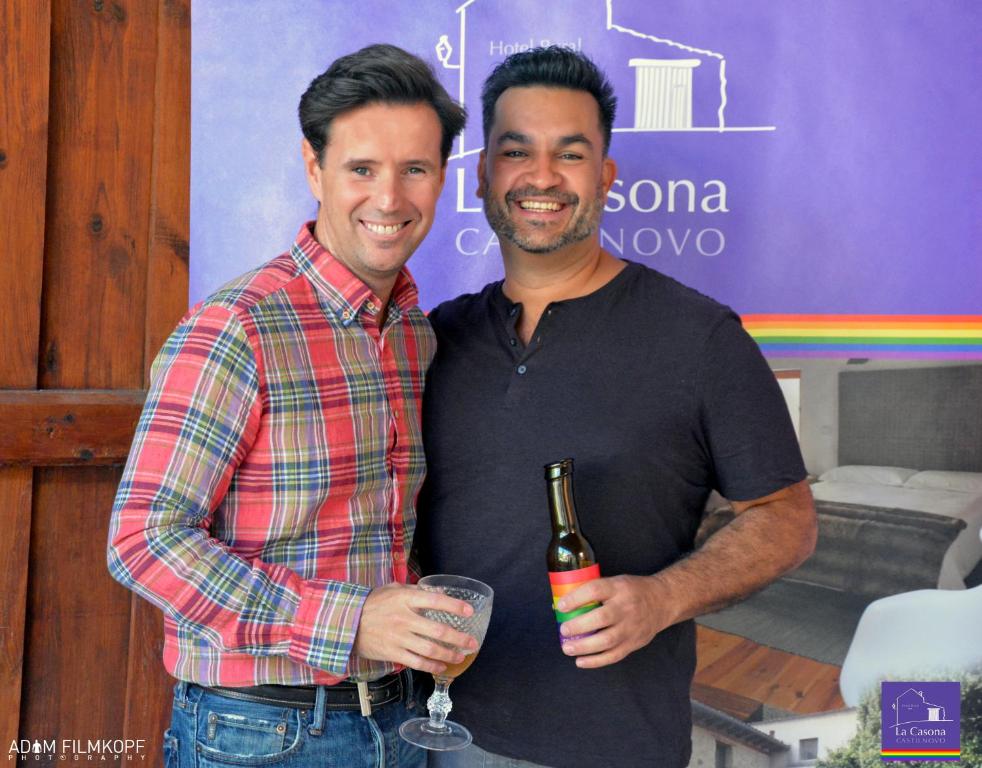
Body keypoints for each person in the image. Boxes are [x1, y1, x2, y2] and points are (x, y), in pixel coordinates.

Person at [416, 46, 817, 768]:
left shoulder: (698, 338)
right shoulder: (433, 339)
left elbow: (786, 520)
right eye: (516, 151)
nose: (541, 177)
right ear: (482, 175)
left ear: (605, 177)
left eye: (570, 154)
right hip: (430, 734)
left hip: (613, 747)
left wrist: (662, 599)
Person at [108, 44, 473, 768]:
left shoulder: (412, 336)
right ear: (315, 168)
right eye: (362, 168)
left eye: (416, 170)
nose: (390, 198)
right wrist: (353, 620)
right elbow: (143, 542)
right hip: (259, 732)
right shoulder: (238, 327)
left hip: (396, 721)